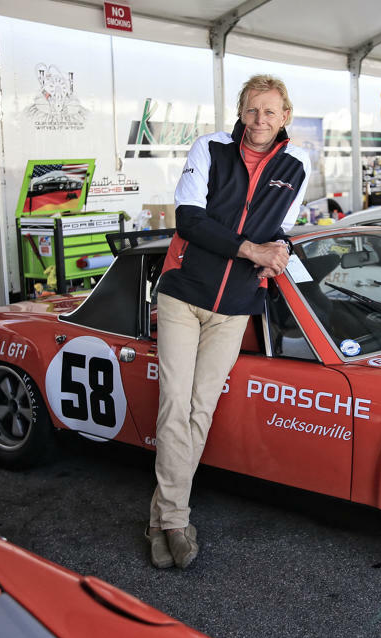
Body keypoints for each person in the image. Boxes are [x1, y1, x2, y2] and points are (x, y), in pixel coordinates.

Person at [146, 74, 310, 570]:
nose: (261, 120)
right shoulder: (210, 148)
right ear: (241, 112)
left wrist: (278, 249)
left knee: (200, 410)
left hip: (236, 305)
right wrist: (251, 249)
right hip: (184, 294)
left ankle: (160, 519)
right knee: (174, 405)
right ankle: (176, 519)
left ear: (285, 117)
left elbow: (284, 227)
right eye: (253, 110)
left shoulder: (296, 165)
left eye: (271, 111)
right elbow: (189, 221)